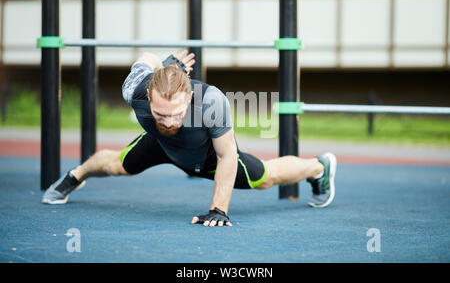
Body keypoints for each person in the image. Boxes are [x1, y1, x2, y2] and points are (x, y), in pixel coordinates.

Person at [42, 50, 337, 228]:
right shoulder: (134, 89)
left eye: (176, 114)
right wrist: (162, 66)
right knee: (118, 163)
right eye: (160, 114)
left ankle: (319, 168)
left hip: (206, 156)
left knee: (266, 177)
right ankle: (73, 176)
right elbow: (146, 58)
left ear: (190, 97)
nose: (169, 122)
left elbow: (226, 156)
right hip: (161, 145)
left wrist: (219, 209)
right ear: (148, 96)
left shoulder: (212, 102)